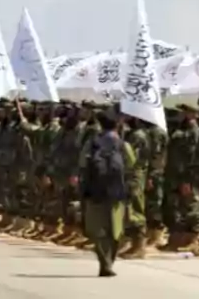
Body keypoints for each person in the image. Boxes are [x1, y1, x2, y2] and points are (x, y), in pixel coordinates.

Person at [78, 110, 136, 277]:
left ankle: (104, 262)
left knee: (97, 230)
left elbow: (83, 164)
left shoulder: (92, 143)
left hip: (95, 191)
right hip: (117, 192)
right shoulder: (123, 145)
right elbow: (132, 166)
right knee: (115, 229)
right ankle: (110, 260)